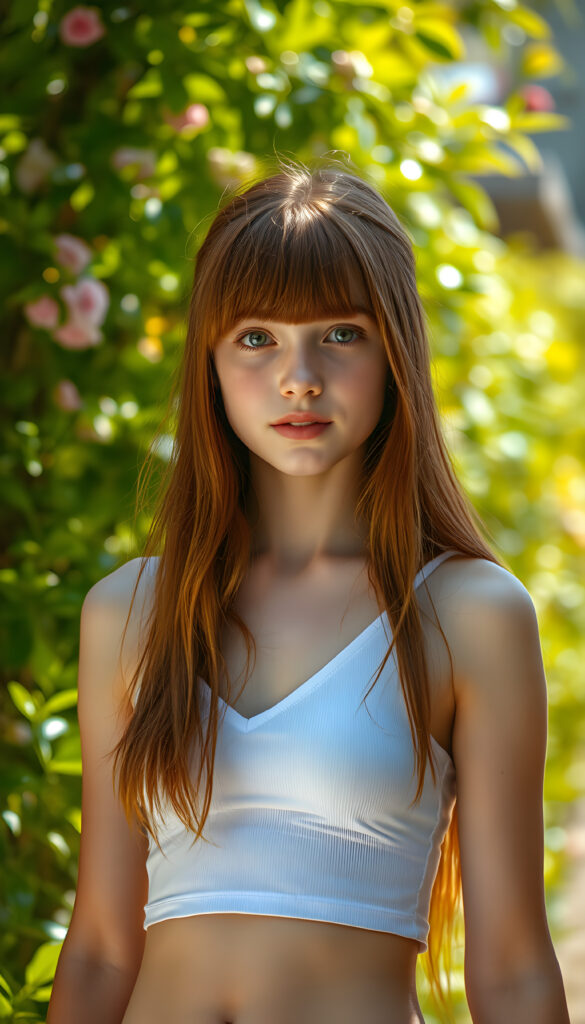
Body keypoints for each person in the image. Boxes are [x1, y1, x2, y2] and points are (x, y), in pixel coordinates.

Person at [47, 156, 570, 1024]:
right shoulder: (131, 612)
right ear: (208, 361)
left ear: (394, 348)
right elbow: (102, 942)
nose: (298, 377)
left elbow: (511, 964)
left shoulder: (468, 614)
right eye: (256, 337)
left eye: (340, 332)